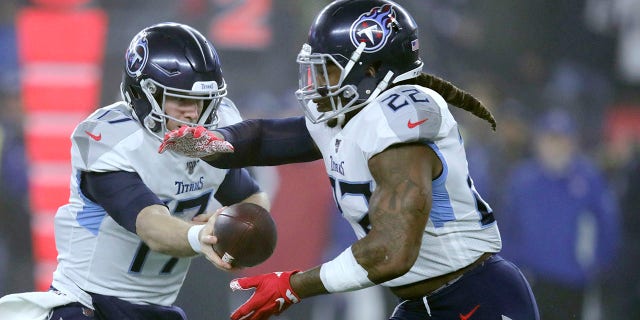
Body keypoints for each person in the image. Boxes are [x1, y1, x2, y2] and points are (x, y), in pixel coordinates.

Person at [160, 1, 539, 319]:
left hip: (475, 298)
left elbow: (391, 252)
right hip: (419, 304)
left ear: (371, 71)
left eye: (327, 69)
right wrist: (212, 142)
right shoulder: (350, 116)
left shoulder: (400, 118)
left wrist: (292, 285)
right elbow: (264, 138)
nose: (316, 81)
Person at [0, 22, 269, 320]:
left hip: (157, 310)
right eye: (181, 100)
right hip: (89, 306)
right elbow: (151, 224)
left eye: (203, 101)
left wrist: (241, 231)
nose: (194, 114)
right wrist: (201, 235)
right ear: (144, 93)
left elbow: (252, 198)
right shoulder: (113, 140)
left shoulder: (204, 143)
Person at [499, 109, 620, 320]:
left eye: (561, 140)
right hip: (530, 278)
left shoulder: (588, 179)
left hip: (572, 281)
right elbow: (506, 225)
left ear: (572, 143)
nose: (555, 147)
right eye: (549, 139)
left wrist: (599, 263)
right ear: (538, 143)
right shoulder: (522, 179)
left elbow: (607, 224)